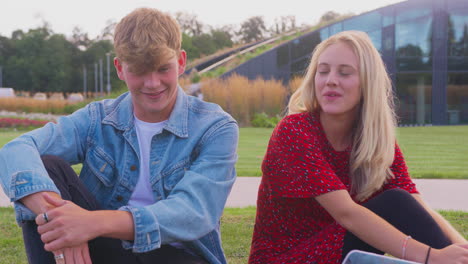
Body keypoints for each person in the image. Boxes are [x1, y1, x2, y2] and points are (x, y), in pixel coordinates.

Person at [0, 8, 238, 264]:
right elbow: (16, 150)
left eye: (162, 69)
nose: (153, 83)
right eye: (139, 71)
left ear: (181, 62)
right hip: (108, 250)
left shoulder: (216, 127)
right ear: (120, 68)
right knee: (48, 166)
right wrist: (62, 221)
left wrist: (91, 223)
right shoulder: (97, 118)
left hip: (178, 255)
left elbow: (194, 213)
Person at [248, 30, 468, 264]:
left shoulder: (374, 141)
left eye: (344, 73)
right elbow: (348, 214)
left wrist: (460, 248)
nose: (331, 80)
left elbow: (418, 206)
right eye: (323, 71)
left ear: (368, 83)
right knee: (394, 202)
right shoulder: (294, 131)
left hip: (339, 252)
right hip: (287, 258)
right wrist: (430, 257)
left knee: (401, 200)